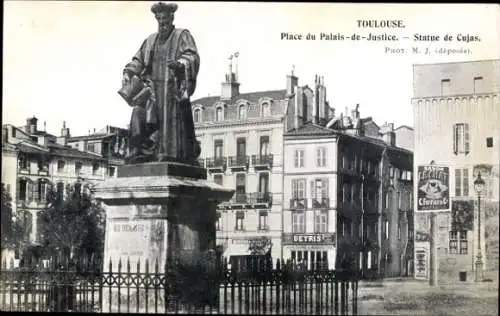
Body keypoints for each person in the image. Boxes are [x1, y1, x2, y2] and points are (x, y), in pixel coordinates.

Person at [121, 2, 201, 164]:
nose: (162, 24)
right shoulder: (151, 40)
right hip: (152, 92)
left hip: (171, 90)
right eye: (159, 20)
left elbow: (191, 56)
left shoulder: (182, 35)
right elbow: (138, 60)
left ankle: (168, 154)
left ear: (171, 18)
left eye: (165, 20)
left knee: (169, 119)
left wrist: (180, 64)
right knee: (138, 112)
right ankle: (139, 151)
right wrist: (129, 70)